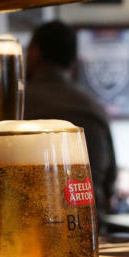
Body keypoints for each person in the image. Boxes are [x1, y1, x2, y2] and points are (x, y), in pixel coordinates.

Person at [23, 20, 117, 216]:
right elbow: (109, 183)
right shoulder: (95, 108)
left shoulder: (18, 104)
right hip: (90, 227)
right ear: (73, 60)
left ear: (35, 52)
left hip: (28, 231)